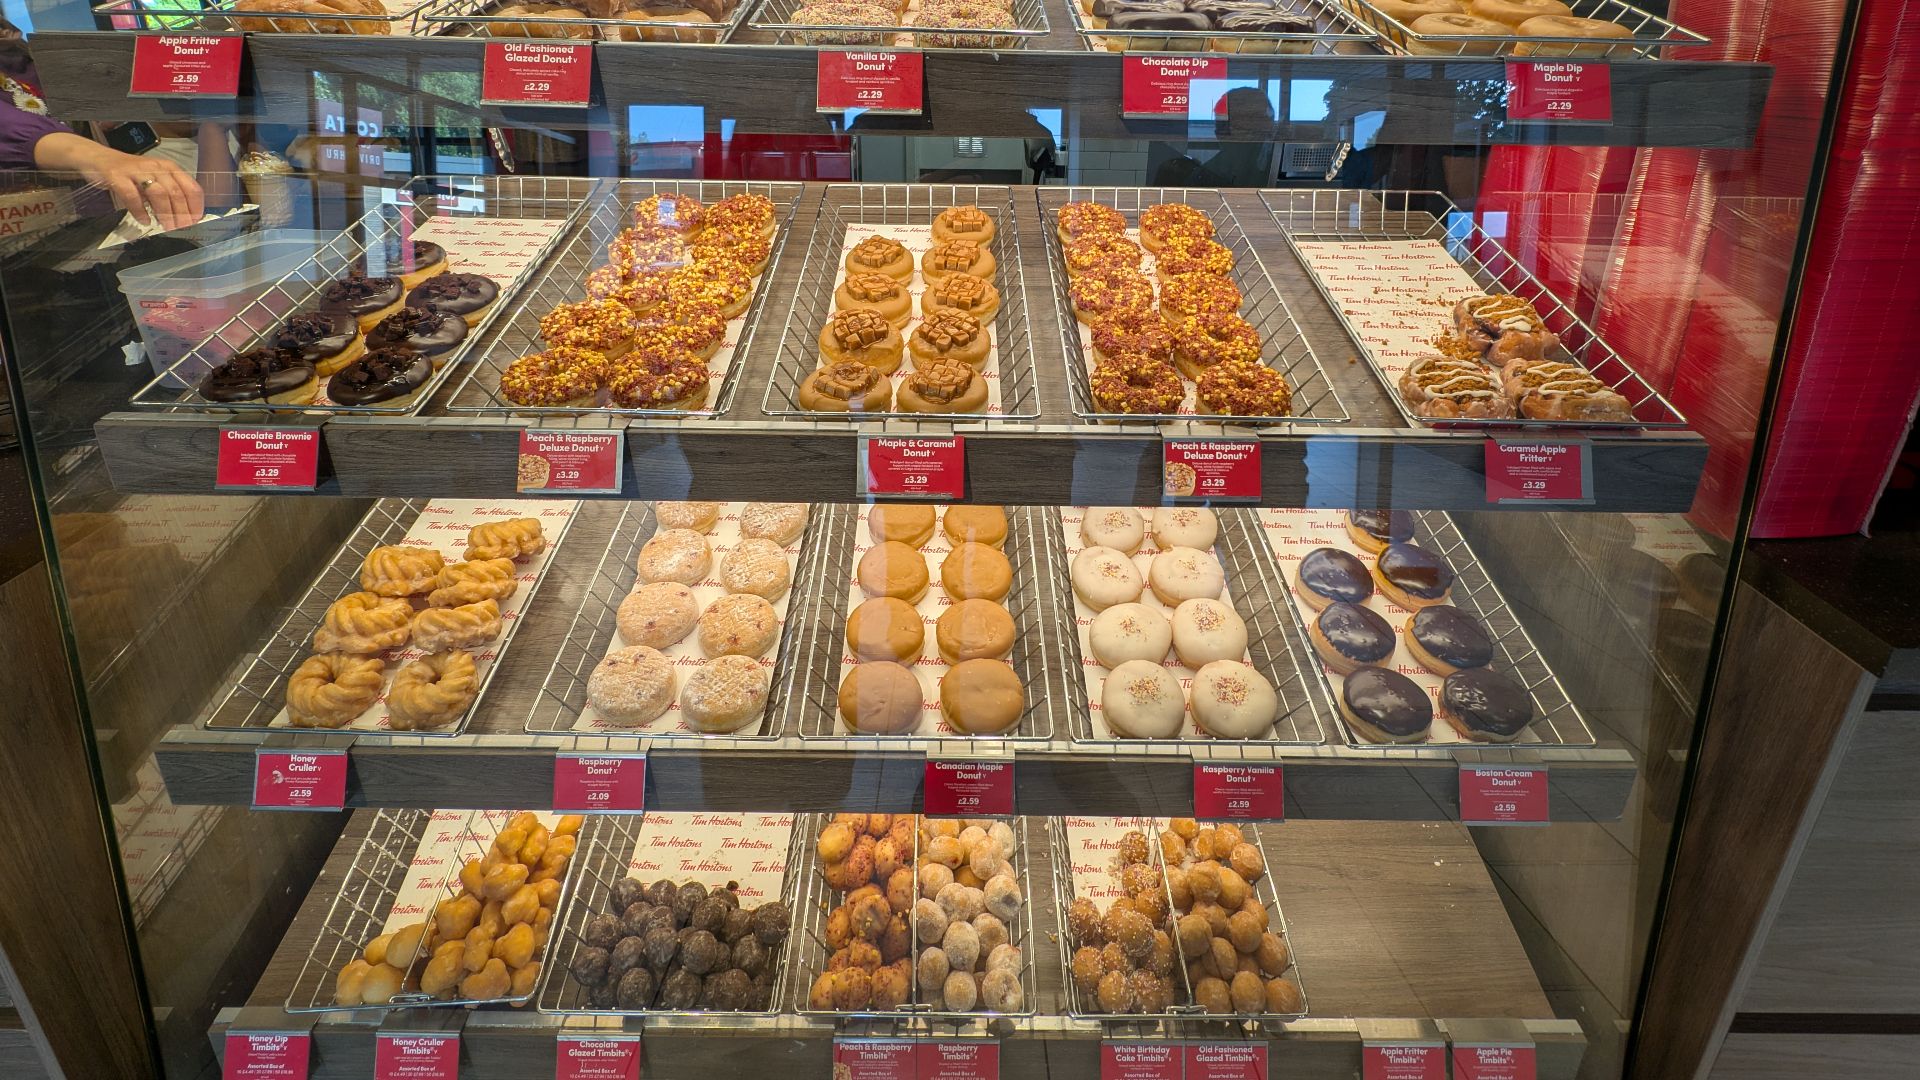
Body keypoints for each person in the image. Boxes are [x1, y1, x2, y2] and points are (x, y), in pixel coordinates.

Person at [0, 18, 203, 229]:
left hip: (96, 221)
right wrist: (95, 156)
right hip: (30, 237)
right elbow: (9, 125)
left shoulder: (18, 47)